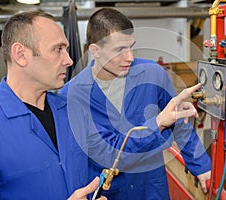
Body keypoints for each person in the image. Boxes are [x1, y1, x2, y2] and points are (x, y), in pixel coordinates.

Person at [61, 8, 211, 200]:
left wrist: (201, 165)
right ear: (95, 50)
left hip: (151, 188)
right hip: (110, 192)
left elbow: (178, 124)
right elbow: (107, 153)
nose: (130, 57)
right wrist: (157, 123)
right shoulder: (72, 95)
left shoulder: (152, 74)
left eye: (131, 47)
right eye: (119, 50)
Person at [0, 11, 106, 200]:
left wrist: (158, 122)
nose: (69, 60)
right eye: (58, 49)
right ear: (21, 55)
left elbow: (111, 149)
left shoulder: (72, 110)